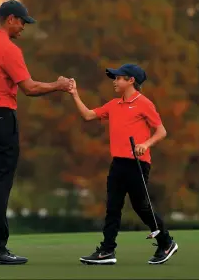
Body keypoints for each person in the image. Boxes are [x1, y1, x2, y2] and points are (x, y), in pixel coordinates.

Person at [0, 0, 72, 265]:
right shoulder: (8, 49)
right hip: (1, 117)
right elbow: (30, 88)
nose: (24, 27)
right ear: (10, 19)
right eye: (23, 21)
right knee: (1, 183)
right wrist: (58, 85)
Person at [69, 64, 178, 265]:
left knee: (141, 207)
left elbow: (161, 131)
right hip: (118, 163)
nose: (114, 81)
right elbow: (88, 115)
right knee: (112, 207)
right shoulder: (113, 104)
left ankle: (166, 242)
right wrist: (75, 94)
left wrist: (145, 144)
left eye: (118, 78)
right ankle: (107, 250)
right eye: (115, 78)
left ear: (131, 81)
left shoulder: (144, 103)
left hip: (137, 163)